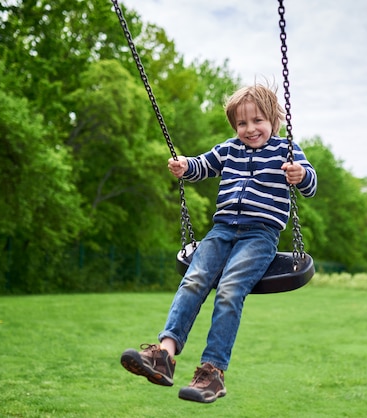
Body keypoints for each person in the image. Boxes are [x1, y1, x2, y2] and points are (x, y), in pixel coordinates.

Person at [120, 83, 317, 403]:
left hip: (260, 234)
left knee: (229, 289)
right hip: (221, 231)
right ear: (234, 126)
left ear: (273, 120)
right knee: (193, 280)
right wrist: (184, 165)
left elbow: (310, 182)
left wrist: (299, 175)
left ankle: (211, 373)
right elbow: (202, 165)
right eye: (242, 123)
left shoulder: (286, 151)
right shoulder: (228, 149)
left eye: (258, 121)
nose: (250, 129)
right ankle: (163, 357)